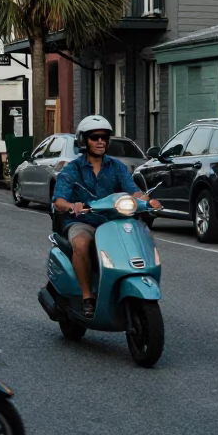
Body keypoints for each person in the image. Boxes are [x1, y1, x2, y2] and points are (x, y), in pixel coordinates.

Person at [52, 115, 161, 319]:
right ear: (84, 141)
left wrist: (147, 200)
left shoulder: (117, 167)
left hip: (113, 222)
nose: (100, 141)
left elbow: (132, 190)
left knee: (135, 237)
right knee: (82, 243)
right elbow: (58, 200)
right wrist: (71, 205)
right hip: (83, 222)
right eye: (95, 137)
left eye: (104, 137)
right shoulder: (72, 169)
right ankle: (87, 297)